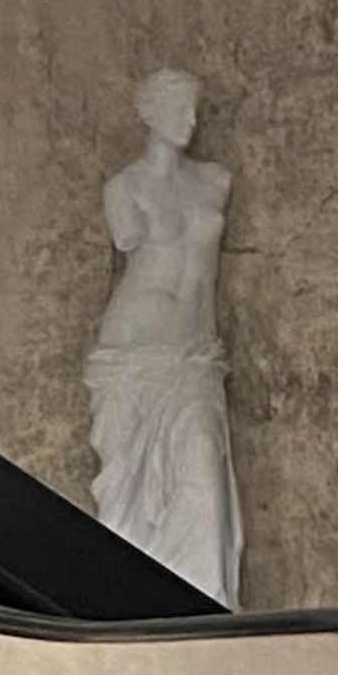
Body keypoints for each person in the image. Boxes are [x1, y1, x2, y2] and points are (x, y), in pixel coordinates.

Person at [85, 67, 241, 603]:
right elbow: (129, 242)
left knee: (203, 473)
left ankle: (206, 611)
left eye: (194, 109)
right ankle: (127, 609)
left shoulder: (214, 181)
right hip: (133, 350)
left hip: (193, 354)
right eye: (179, 109)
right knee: (126, 495)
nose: (191, 121)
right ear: (149, 114)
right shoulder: (124, 188)